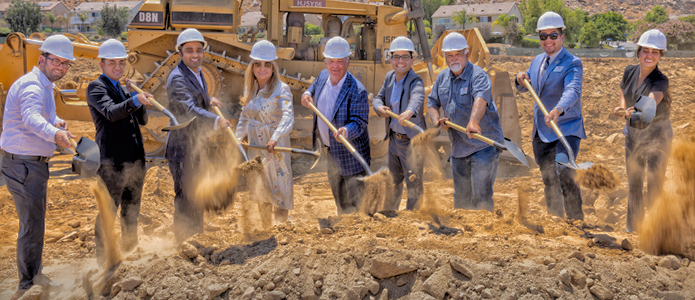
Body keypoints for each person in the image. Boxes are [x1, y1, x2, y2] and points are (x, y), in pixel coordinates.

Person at [0, 35, 76, 298]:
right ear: (42, 58)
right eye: (56, 61)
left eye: (66, 64)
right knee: (31, 226)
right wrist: (55, 135)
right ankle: (28, 285)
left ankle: (35, 277)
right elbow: (31, 118)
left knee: (34, 224)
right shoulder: (33, 86)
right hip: (24, 165)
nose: (61, 68)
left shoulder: (43, 86)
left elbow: (46, 116)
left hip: (29, 164)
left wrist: (58, 123)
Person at [87, 39, 153, 265]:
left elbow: (142, 120)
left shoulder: (124, 90)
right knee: (108, 212)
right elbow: (111, 113)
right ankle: (104, 261)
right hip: (112, 163)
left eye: (121, 62)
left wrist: (137, 96)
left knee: (131, 211)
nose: (118, 67)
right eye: (112, 63)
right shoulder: (96, 88)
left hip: (134, 161)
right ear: (101, 65)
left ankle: (129, 252)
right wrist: (134, 99)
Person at [515, 11, 585, 220]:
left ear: (562, 36)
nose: (548, 40)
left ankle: (575, 219)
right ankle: (555, 219)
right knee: (548, 178)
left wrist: (558, 109)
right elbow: (528, 86)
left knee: (564, 173)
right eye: (543, 36)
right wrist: (519, 79)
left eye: (553, 35)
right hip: (542, 130)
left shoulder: (573, 62)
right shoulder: (537, 61)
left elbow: (572, 90)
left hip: (566, 128)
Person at [166, 28, 233, 242]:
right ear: (180, 54)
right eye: (189, 51)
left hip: (195, 145)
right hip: (182, 145)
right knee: (186, 195)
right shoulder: (177, 78)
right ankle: (184, 244)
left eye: (198, 50)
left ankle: (196, 237)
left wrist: (208, 100)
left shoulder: (197, 72)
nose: (195, 55)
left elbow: (196, 99)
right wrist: (215, 120)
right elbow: (188, 109)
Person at [427, 32, 504, 212]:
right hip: (459, 148)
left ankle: (484, 234)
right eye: (449, 55)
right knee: (461, 197)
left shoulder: (478, 75)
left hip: (483, 145)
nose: (454, 59)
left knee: (481, 195)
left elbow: (481, 98)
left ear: (467, 54)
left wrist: (474, 121)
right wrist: (438, 120)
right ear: (444, 57)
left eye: (458, 54)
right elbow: (432, 102)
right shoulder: (442, 78)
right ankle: (465, 236)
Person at [300, 36, 370, 214]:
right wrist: (307, 93)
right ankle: (343, 229)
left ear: (348, 62)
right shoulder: (324, 76)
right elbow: (314, 86)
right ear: (325, 62)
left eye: (340, 61)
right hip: (331, 151)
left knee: (356, 201)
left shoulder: (357, 90)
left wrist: (346, 130)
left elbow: (359, 122)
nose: (335, 66)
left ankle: (359, 233)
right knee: (339, 196)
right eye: (331, 61)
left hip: (351, 156)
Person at [613, 29, 672, 232]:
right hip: (634, 133)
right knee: (634, 182)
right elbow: (623, 90)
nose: (649, 55)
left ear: (660, 55)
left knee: (654, 183)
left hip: (657, 134)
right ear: (638, 52)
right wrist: (622, 108)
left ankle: (656, 231)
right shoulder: (630, 71)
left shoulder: (660, 80)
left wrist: (637, 108)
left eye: (655, 52)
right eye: (645, 50)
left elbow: (653, 100)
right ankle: (635, 230)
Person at [235, 40, 294, 225]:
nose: (262, 68)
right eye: (258, 64)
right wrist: (239, 138)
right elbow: (245, 118)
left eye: (267, 64)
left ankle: (281, 227)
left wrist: (275, 138)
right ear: (252, 67)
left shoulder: (281, 89)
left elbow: (288, 117)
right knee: (261, 185)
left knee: (280, 185)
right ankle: (267, 227)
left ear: (273, 67)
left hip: (274, 147)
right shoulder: (250, 89)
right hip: (256, 146)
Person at [372, 36, 426, 211]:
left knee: (413, 182)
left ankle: (414, 217)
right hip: (395, 139)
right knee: (393, 181)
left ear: (412, 59)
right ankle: (390, 213)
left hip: (411, 142)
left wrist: (409, 112)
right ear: (390, 59)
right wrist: (379, 107)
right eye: (396, 57)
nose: (400, 61)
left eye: (405, 57)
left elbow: (417, 97)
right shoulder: (389, 77)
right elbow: (378, 97)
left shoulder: (415, 80)